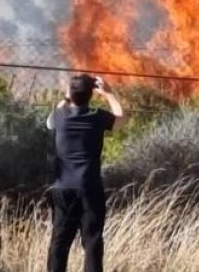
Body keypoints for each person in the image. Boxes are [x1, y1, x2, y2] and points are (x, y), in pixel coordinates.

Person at [45, 74, 125, 272]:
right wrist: (109, 94)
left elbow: (49, 122)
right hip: (90, 187)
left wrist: (66, 97)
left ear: (70, 94)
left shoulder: (59, 117)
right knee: (92, 243)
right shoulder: (97, 117)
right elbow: (123, 119)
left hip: (62, 188)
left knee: (59, 243)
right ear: (91, 95)